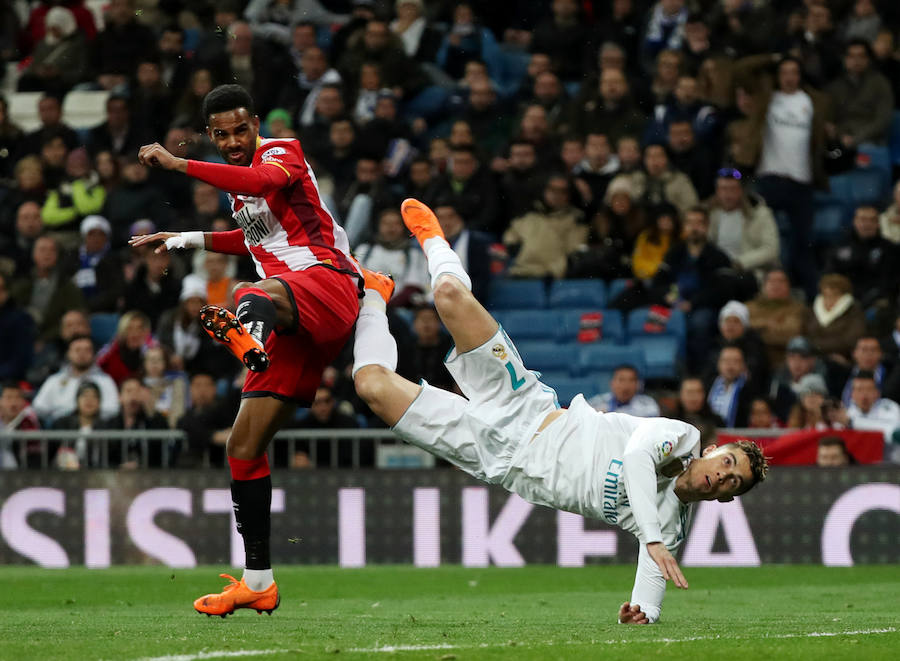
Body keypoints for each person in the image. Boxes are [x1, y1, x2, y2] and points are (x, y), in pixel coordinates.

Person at [352, 198, 769, 624]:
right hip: (526, 407)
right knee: (449, 295)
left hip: (495, 458)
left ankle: (373, 298)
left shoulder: (669, 528)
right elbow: (637, 458)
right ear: (715, 450)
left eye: (732, 481)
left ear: (726, 496)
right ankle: (434, 239)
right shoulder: (681, 437)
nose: (724, 474)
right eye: (729, 462)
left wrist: (643, 612)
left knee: (370, 385)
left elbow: (652, 581)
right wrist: (653, 539)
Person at [130, 84, 362, 616]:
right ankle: (258, 581)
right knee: (243, 447)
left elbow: (259, 178)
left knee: (247, 293)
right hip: (289, 314)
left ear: (255, 123)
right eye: (222, 135)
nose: (234, 142)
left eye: (241, 129)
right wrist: (186, 238)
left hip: (326, 284)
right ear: (211, 134)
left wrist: (177, 164)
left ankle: (247, 333)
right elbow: (254, 240)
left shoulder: (282, 152)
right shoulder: (241, 197)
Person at [33, 334, 120, 422]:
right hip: (60, 429)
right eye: (77, 350)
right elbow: (39, 407)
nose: (82, 354)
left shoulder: (105, 381)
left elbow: (113, 410)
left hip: (95, 430)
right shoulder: (54, 380)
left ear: (93, 354)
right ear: (68, 353)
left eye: (87, 350)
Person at [588, 364, 660, 417]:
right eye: (621, 380)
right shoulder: (598, 402)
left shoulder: (648, 404)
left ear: (638, 385)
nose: (626, 385)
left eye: (631, 380)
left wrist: (607, 415)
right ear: (612, 383)